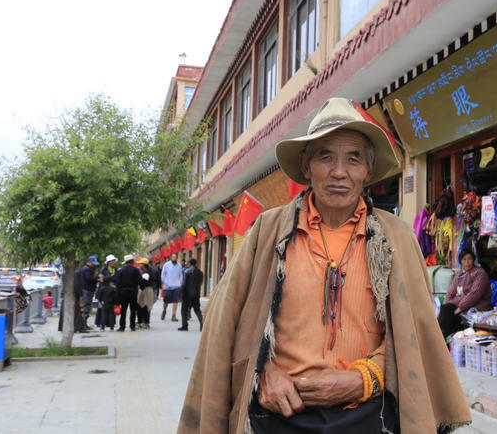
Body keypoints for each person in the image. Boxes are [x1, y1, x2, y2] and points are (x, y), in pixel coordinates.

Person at [178, 98, 470, 434]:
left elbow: (416, 335)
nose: (339, 172)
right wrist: (262, 372)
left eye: (353, 159)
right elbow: (225, 321)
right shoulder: (268, 231)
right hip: (277, 417)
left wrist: (365, 378)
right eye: (325, 157)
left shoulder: (396, 238)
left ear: (369, 169)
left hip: (367, 418)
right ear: (306, 165)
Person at [437, 249, 492, 339]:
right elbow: (451, 292)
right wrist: (445, 305)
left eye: (469, 259)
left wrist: (460, 308)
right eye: (464, 259)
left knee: (450, 317)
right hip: (459, 305)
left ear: (473, 260)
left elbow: (474, 294)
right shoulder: (460, 274)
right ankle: (443, 339)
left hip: (476, 305)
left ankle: (443, 339)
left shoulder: (480, 274)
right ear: (461, 262)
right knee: (445, 310)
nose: (467, 262)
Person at [115, 254, 146, 331]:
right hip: (133, 292)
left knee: (123, 310)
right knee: (133, 310)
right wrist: (142, 288)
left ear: (125, 262)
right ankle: (132, 326)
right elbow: (140, 281)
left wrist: (118, 295)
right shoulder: (136, 270)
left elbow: (117, 283)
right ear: (132, 261)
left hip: (123, 293)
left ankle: (122, 327)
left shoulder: (121, 271)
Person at [178, 257, 203, 331]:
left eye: (188, 262)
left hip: (187, 294)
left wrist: (181, 295)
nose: (187, 263)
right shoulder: (200, 273)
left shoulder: (187, 272)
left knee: (184, 310)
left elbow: (184, 284)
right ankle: (202, 324)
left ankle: (185, 326)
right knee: (197, 309)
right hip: (196, 294)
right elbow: (200, 283)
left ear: (190, 263)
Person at [95, 254, 118, 327]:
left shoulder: (115, 270)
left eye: (114, 261)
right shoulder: (103, 269)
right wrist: (108, 280)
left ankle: (110, 323)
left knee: (111, 308)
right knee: (102, 307)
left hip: (112, 291)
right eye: (112, 261)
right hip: (104, 291)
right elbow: (100, 279)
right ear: (108, 262)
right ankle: (100, 323)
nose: (114, 262)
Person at [79, 256, 99, 331]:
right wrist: (97, 278)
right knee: (86, 307)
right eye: (93, 263)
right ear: (90, 262)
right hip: (86, 290)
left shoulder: (88, 269)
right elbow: (89, 278)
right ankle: (83, 325)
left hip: (89, 290)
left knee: (87, 307)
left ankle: (84, 324)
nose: (94, 265)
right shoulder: (86, 269)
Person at [161, 253, 183, 322]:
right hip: (168, 286)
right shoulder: (166, 265)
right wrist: (165, 282)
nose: (174, 258)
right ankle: (164, 311)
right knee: (166, 301)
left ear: (177, 258)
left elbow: (181, 275)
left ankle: (174, 315)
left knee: (176, 301)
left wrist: (180, 283)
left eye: (175, 257)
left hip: (176, 286)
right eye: (173, 257)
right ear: (171, 258)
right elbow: (163, 274)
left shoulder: (179, 265)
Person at [137, 257, 157, 329]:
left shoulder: (146, 272)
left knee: (143, 306)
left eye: (140, 263)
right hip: (147, 289)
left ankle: (143, 322)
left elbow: (144, 282)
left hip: (146, 289)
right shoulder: (148, 271)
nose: (139, 265)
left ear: (144, 264)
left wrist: (139, 288)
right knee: (145, 306)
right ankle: (145, 322)